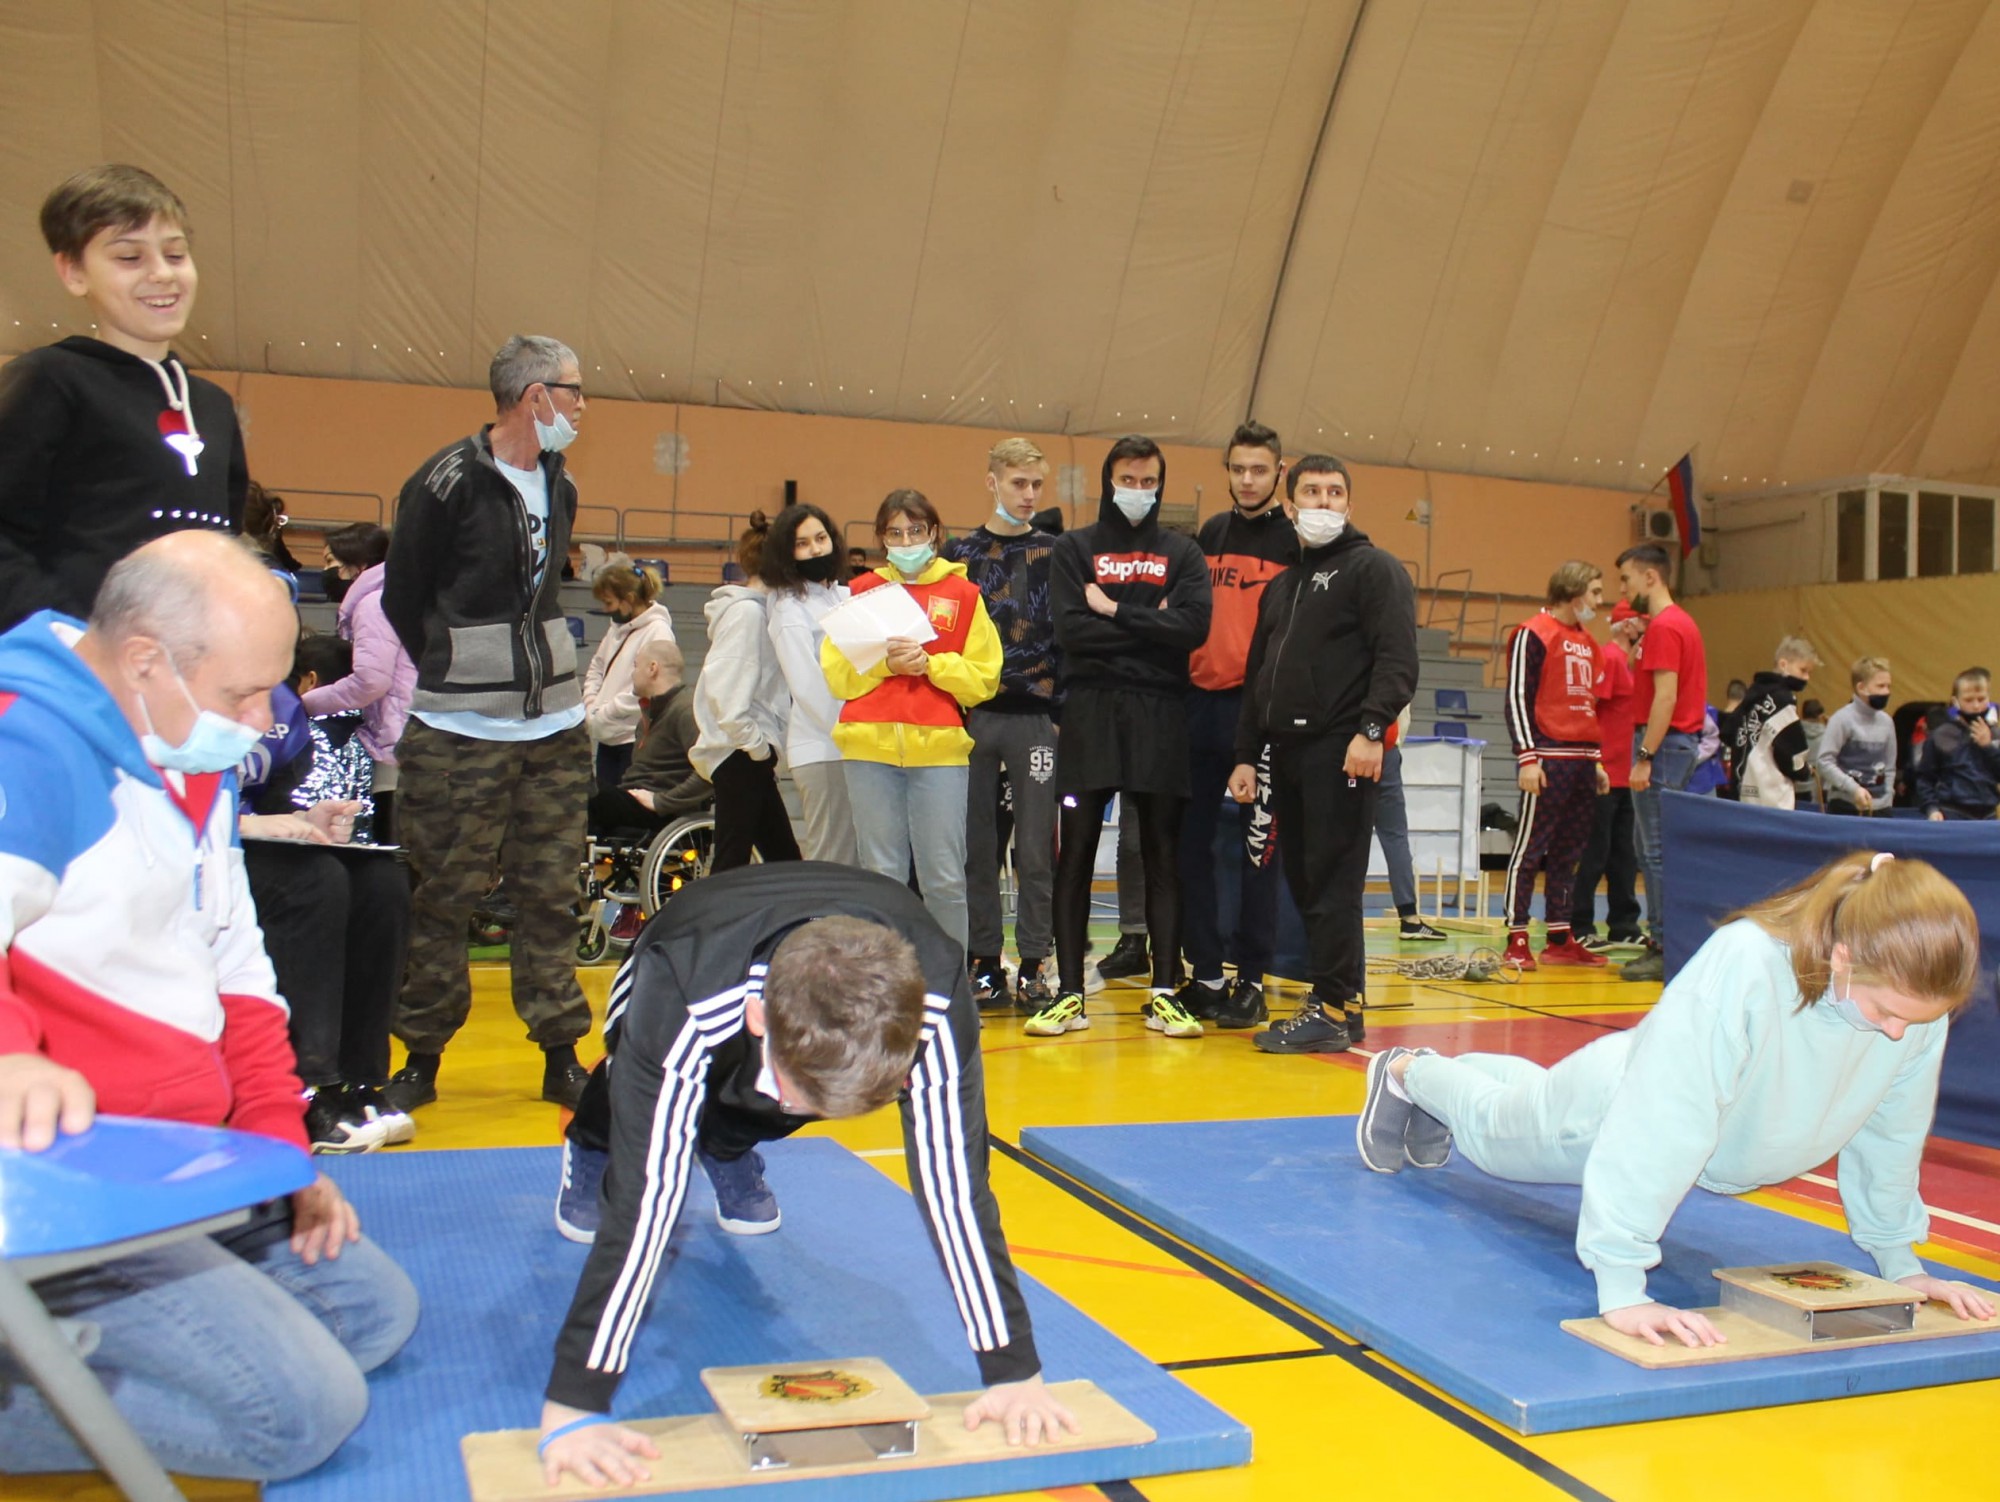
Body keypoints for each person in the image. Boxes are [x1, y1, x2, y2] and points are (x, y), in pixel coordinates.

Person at [0, 532, 417, 1480]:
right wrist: (11, 1053)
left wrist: (279, 1153)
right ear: (145, 659)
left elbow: (239, 973)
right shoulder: (29, 745)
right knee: (302, 1417)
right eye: (241, 693)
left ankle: (90, 1337)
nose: (261, 716)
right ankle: (38, 1353)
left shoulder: (181, 745)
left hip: (182, 1157)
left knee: (377, 1315)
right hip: (84, 1178)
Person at [536, 864, 1079, 1488]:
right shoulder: (685, 986)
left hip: (831, 953)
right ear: (758, 1018)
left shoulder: (935, 1001)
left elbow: (958, 1191)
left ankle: (729, 1142)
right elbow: (648, 1204)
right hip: (693, 932)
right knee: (650, 1099)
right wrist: (576, 1403)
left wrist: (1014, 1374)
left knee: (781, 1098)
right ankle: (591, 1139)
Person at [1355, 853, 1997, 1348]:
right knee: (1497, 1135)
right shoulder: (1747, 964)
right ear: (1843, 958)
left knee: (1527, 1099)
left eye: (1912, 1022)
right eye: (1885, 1012)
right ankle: (1411, 1069)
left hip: (1666, 1095)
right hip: (1616, 1105)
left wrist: (1900, 1264)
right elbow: (1663, 1119)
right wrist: (1623, 1285)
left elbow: (1892, 1133)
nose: (1896, 1033)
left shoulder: (1913, 1014)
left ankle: (1474, 1074)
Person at [379, 334, 594, 1113]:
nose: (580, 407)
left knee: (551, 895)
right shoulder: (444, 483)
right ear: (536, 397)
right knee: (442, 895)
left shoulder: (561, 485)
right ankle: (422, 1058)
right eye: (573, 392)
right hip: (459, 732)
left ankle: (562, 1053)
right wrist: (456, 665)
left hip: (555, 732)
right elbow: (403, 597)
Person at [0, 164, 248, 632]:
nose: (161, 274)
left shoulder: (213, 406)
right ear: (73, 271)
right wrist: (67, 637)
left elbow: (226, 538)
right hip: (74, 674)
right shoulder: (49, 380)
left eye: (175, 255)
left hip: (183, 671)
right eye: (129, 259)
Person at [1229, 456, 1418, 1054]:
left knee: (1334, 881)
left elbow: (1397, 660)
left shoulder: (1374, 569)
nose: (1324, 501)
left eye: (1335, 492)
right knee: (1308, 881)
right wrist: (1244, 755)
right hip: (1285, 752)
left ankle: (1332, 1009)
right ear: (1290, 506)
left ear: (1349, 505)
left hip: (1342, 749)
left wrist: (1370, 731)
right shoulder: (1284, 586)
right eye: (1311, 491)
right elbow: (1259, 675)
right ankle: (1343, 1003)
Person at [1028, 437, 1212, 1041]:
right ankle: (1070, 994)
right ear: (1107, 481)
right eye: (1127, 479)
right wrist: (1147, 624)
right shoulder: (1074, 548)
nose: (1138, 490)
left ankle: (1163, 992)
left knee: (1161, 854)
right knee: (1075, 853)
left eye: (1148, 480)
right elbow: (1071, 633)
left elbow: (1192, 629)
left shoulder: (1182, 552)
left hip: (1161, 715)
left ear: (1162, 483)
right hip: (1091, 713)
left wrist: (1113, 610)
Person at [240, 634, 414, 1154]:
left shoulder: (282, 709)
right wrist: (251, 826)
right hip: (196, 853)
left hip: (251, 840)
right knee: (316, 883)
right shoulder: (174, 700)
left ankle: (361, 1079)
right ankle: (305, 1083)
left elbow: (275, 799)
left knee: (382, 882)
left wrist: (307, 820)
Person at [823, 489, 1000, 950]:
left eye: (915, 531)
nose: (906, 541)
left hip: (940, 752)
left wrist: (931, 665)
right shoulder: (860, 593)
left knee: (943, 877)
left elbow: (984, 679)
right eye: (895, 532)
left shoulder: (963, 595)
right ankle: (884, 981)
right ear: (882, 538)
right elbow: (838, 675)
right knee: (882, 875)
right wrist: (887, 665)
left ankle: (946, 984)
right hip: (868, 749)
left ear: (935, 534)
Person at [1176, 421, 1299, 1028]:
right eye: (1237, 469)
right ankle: (1204, 973)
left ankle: (1251, 980)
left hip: (1261, 715)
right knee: (1191, 847)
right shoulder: (1211, 533)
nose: (1247, 480)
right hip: (1199, 707)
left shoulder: (1294, 543)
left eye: (1258, 469)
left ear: (1280, 471)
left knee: (1258, 851)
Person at [946, 438, 1062, 1009]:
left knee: (1037, 850)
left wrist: (1059, 713)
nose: (1029, 494)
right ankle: (985, 963)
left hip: (1036, 720)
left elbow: (1071, 635)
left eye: (1037, 485)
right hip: (974, 720)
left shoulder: (1057, 552)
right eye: (1018, 483)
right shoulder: (959, 553)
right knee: (977, 849)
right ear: (992, 481)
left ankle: (1036, 965)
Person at [1500, 563, 1611, 970]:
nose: (1600, 602)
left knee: (1570, 852)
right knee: (1530, 850)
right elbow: (1516, 698)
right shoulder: (1532, 633)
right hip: (1548, 756)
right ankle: (1516, 937)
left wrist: (1596, 760)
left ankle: (1560, 938)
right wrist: (1527, 756)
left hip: (1582, 760)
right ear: (1575, 591)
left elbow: (1589, 704)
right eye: (1596, 592)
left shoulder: (1589, 643)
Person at [1615, 543, 1708, 982]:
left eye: (1627, 578)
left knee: (1655, 851)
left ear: (1650, 577)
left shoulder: (1668, 627)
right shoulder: (1669, 625)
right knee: (1647, 847)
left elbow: (1665, 698)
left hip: (1665, 746)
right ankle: (1664, 940)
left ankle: (1665, 945)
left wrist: (1645, 756)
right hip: (1670, 745)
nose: (1624, 588)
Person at [693, 513, 800, 870]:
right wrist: (756, 747)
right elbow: (725, 691)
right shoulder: (747, 616)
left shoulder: (757, 614)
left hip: (747, 754)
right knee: (731, 863)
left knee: (783, 860)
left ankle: (791, 923)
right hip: (739, 753)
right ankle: (712, 927)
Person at [302, 521, 415, 842]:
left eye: (330, 562)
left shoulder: (373, 603)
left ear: (359, 565)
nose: (326, 572)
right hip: (411, 733)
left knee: (393, 856)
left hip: (397, 742)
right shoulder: (401, 593)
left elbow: (371, 681)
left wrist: (306, 703)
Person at [763, 502, 858, 864]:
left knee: (855, 857)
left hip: (850, 747)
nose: (815, 549)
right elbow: (806, 687)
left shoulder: (840, 595)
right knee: (833, 858)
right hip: (824, 748)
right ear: (787, 554)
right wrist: (848, 733)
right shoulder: (788, 607)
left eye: (820, 538)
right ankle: (821, 922)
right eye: (803, 543)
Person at [1569, 603, 1646, 951]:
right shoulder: (1611, 659)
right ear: (1628, 626)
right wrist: (1595, 761)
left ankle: (1623, 923)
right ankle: (1580, 922)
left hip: (1627, 775)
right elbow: (1591, 709)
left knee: (1624, 855)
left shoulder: (1634, 666)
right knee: (1594, 852)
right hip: (1606, 772)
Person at [587, 638, 708, 833]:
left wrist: (661, 801)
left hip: (660, 811)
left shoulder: (686, 710)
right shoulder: (647, 715)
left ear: (652, 668)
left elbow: (709, 771)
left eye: (635, 666)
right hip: (633, 799)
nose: (632, 674)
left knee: (580, 785)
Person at [583, 560, 676, 793]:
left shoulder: (658, 632)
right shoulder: (616, 627)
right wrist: (590, 703)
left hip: (631, 743)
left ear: (630, 599)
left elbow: (650, 689)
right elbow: (597, 666)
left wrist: (606, 712)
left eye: (609, 602)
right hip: (606, 737)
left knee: (624, 815)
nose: (606, 609)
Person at [1719, 636, 1819, 809]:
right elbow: (1791, 753)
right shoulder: (1783, 700)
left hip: (1740, 787)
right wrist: (1804, 770)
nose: (1807, 677)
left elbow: (1728, 732)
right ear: (1783, 664)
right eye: (1803, 670)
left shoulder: (1753, 693)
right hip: (1770, 796)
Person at [1914, 668, 2000, 821]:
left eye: (1981, 699)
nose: (1976, 706)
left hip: (1988, 815)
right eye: (1968, 700)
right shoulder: (1942, 735)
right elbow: (1925, 778)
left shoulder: (1995, 735)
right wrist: (1931, 808)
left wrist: (1988, 747)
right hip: (1953, 812)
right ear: (1956, 702)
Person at [1818, 656, 1897, 817]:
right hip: (1845, 807)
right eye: (1881, 686)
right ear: (1861, 688)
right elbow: (1824, 762)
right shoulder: (1841, 719)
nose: (1887, 692)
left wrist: (1888, 797)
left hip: (1880, 808)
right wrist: (1853, 789)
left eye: (1888, 686)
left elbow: (1890, 766)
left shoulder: (1887, 722)